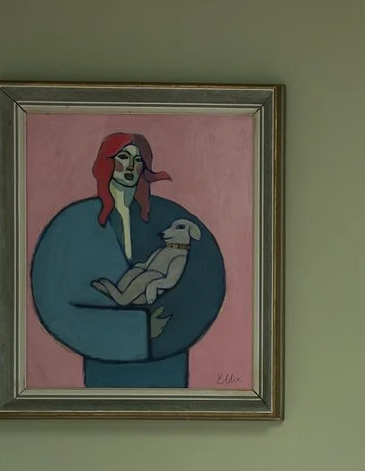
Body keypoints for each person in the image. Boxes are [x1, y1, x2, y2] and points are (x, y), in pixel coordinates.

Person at [29, 132, 226, 389]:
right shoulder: (74, 222)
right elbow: (53, 301)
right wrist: (138, 329)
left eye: (138, 159)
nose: (131, 167)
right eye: (123, 157)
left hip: (168, 359)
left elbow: (206, 283)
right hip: (104, 362)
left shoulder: (171, 216)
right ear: (105, 163)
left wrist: (165, 330)